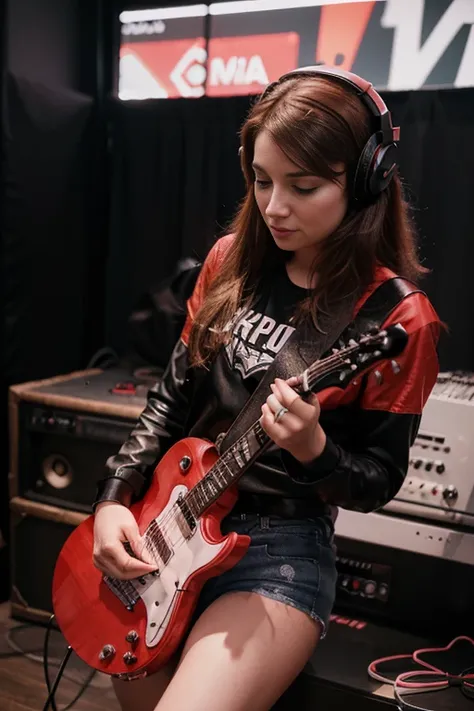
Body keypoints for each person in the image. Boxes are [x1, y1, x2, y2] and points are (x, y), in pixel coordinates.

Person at [92, 65, 440, 711]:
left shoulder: (396, 316)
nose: (274, 206)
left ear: (365, 182)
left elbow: (378, 479)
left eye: (303, 186)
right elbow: (170, 399)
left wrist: (316, 449)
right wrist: (115, 497)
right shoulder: (230, 260)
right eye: (261, 179)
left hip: (277, 553)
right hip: (167, 526)